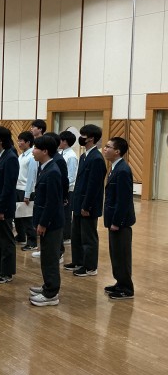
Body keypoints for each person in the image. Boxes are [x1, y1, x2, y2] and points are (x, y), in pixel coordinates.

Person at [64, 124, 107, 277]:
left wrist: (86, 206)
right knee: (76, 234)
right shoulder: (84, 156)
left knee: (88, 237)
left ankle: (90, 266)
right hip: (78, 202)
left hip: (88, 205)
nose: (80, 138)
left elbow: (94, 186)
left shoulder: (97, 158)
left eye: (83, 135)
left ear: (91, 138)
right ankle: (78, 261)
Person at [29, 135, 64, 307]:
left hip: (51, 224)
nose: (33, 151)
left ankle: (51, 294)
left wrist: (43, 223)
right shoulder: (45, 168)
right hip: (46, 221)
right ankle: (47, 286)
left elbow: (52, 202)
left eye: (35, 148)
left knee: (50, 258)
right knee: (46, 256)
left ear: (45, 151)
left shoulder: (52, 172)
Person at [102, 137, 136, 300]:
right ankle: (120, 282)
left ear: (117, 151)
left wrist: (117, 222)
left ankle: (126, 288)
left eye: (108, 147)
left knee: (122, 255)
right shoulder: (115, 167)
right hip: (113, 220)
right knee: (115, 254)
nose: (105, 149)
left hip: (120, 223)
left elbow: (123, 200)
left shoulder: (122, 170)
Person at [0, 126, 19, 284]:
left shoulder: (11, 157)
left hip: (5, 207)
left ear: (0, 141)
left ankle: (7, 272)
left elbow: (8, 187)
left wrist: (1, 209)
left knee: (6, 240)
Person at [15, 131, 38, 250]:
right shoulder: (21, 156)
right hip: (18, 188)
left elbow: (31, 177)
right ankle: (21, 236)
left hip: (26, 190)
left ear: (28, 142)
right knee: (18, 216)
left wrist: (27, 194)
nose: (19, 143)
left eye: (21, 141)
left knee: (28, 218)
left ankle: (32, 242)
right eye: (18, 140)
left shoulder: (32, 156)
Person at [59, 130, 78, 244]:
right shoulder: (61, 153)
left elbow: (71, 176)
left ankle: (66, 236)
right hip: (61, 187)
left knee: (66, 213)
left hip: (68, 189)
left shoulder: (71, 156)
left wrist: (64, 188)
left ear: (65, 142)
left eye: (60, 140)